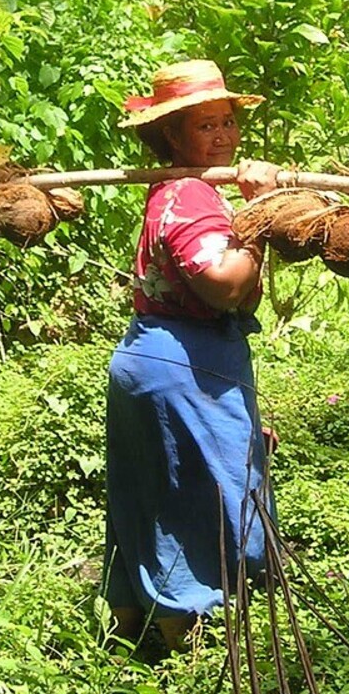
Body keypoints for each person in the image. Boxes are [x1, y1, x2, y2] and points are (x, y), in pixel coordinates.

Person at [102, 59, 283, 651]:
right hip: (185, 367)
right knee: (205, 494)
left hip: (153, 359)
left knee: (153, 491)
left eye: (227, 121)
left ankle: (131, 630)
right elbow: (223, 284)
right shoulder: (192, 195)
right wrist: (258, 217)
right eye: (205, 126)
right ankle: (184, 639)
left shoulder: (175, 191)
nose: (224, 135)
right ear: (172, 136)